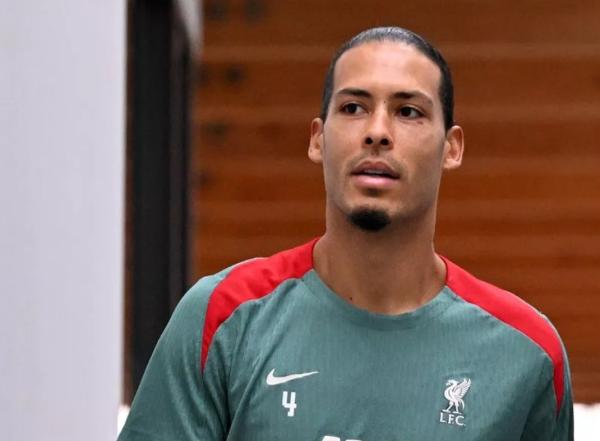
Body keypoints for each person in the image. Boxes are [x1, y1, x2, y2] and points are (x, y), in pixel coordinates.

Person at [119, 26, 574, 441]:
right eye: (353, 108)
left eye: (408, 111)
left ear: (451, 148)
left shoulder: (526, 354)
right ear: (318, 139)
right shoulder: (223, 317)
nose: (377, 132)